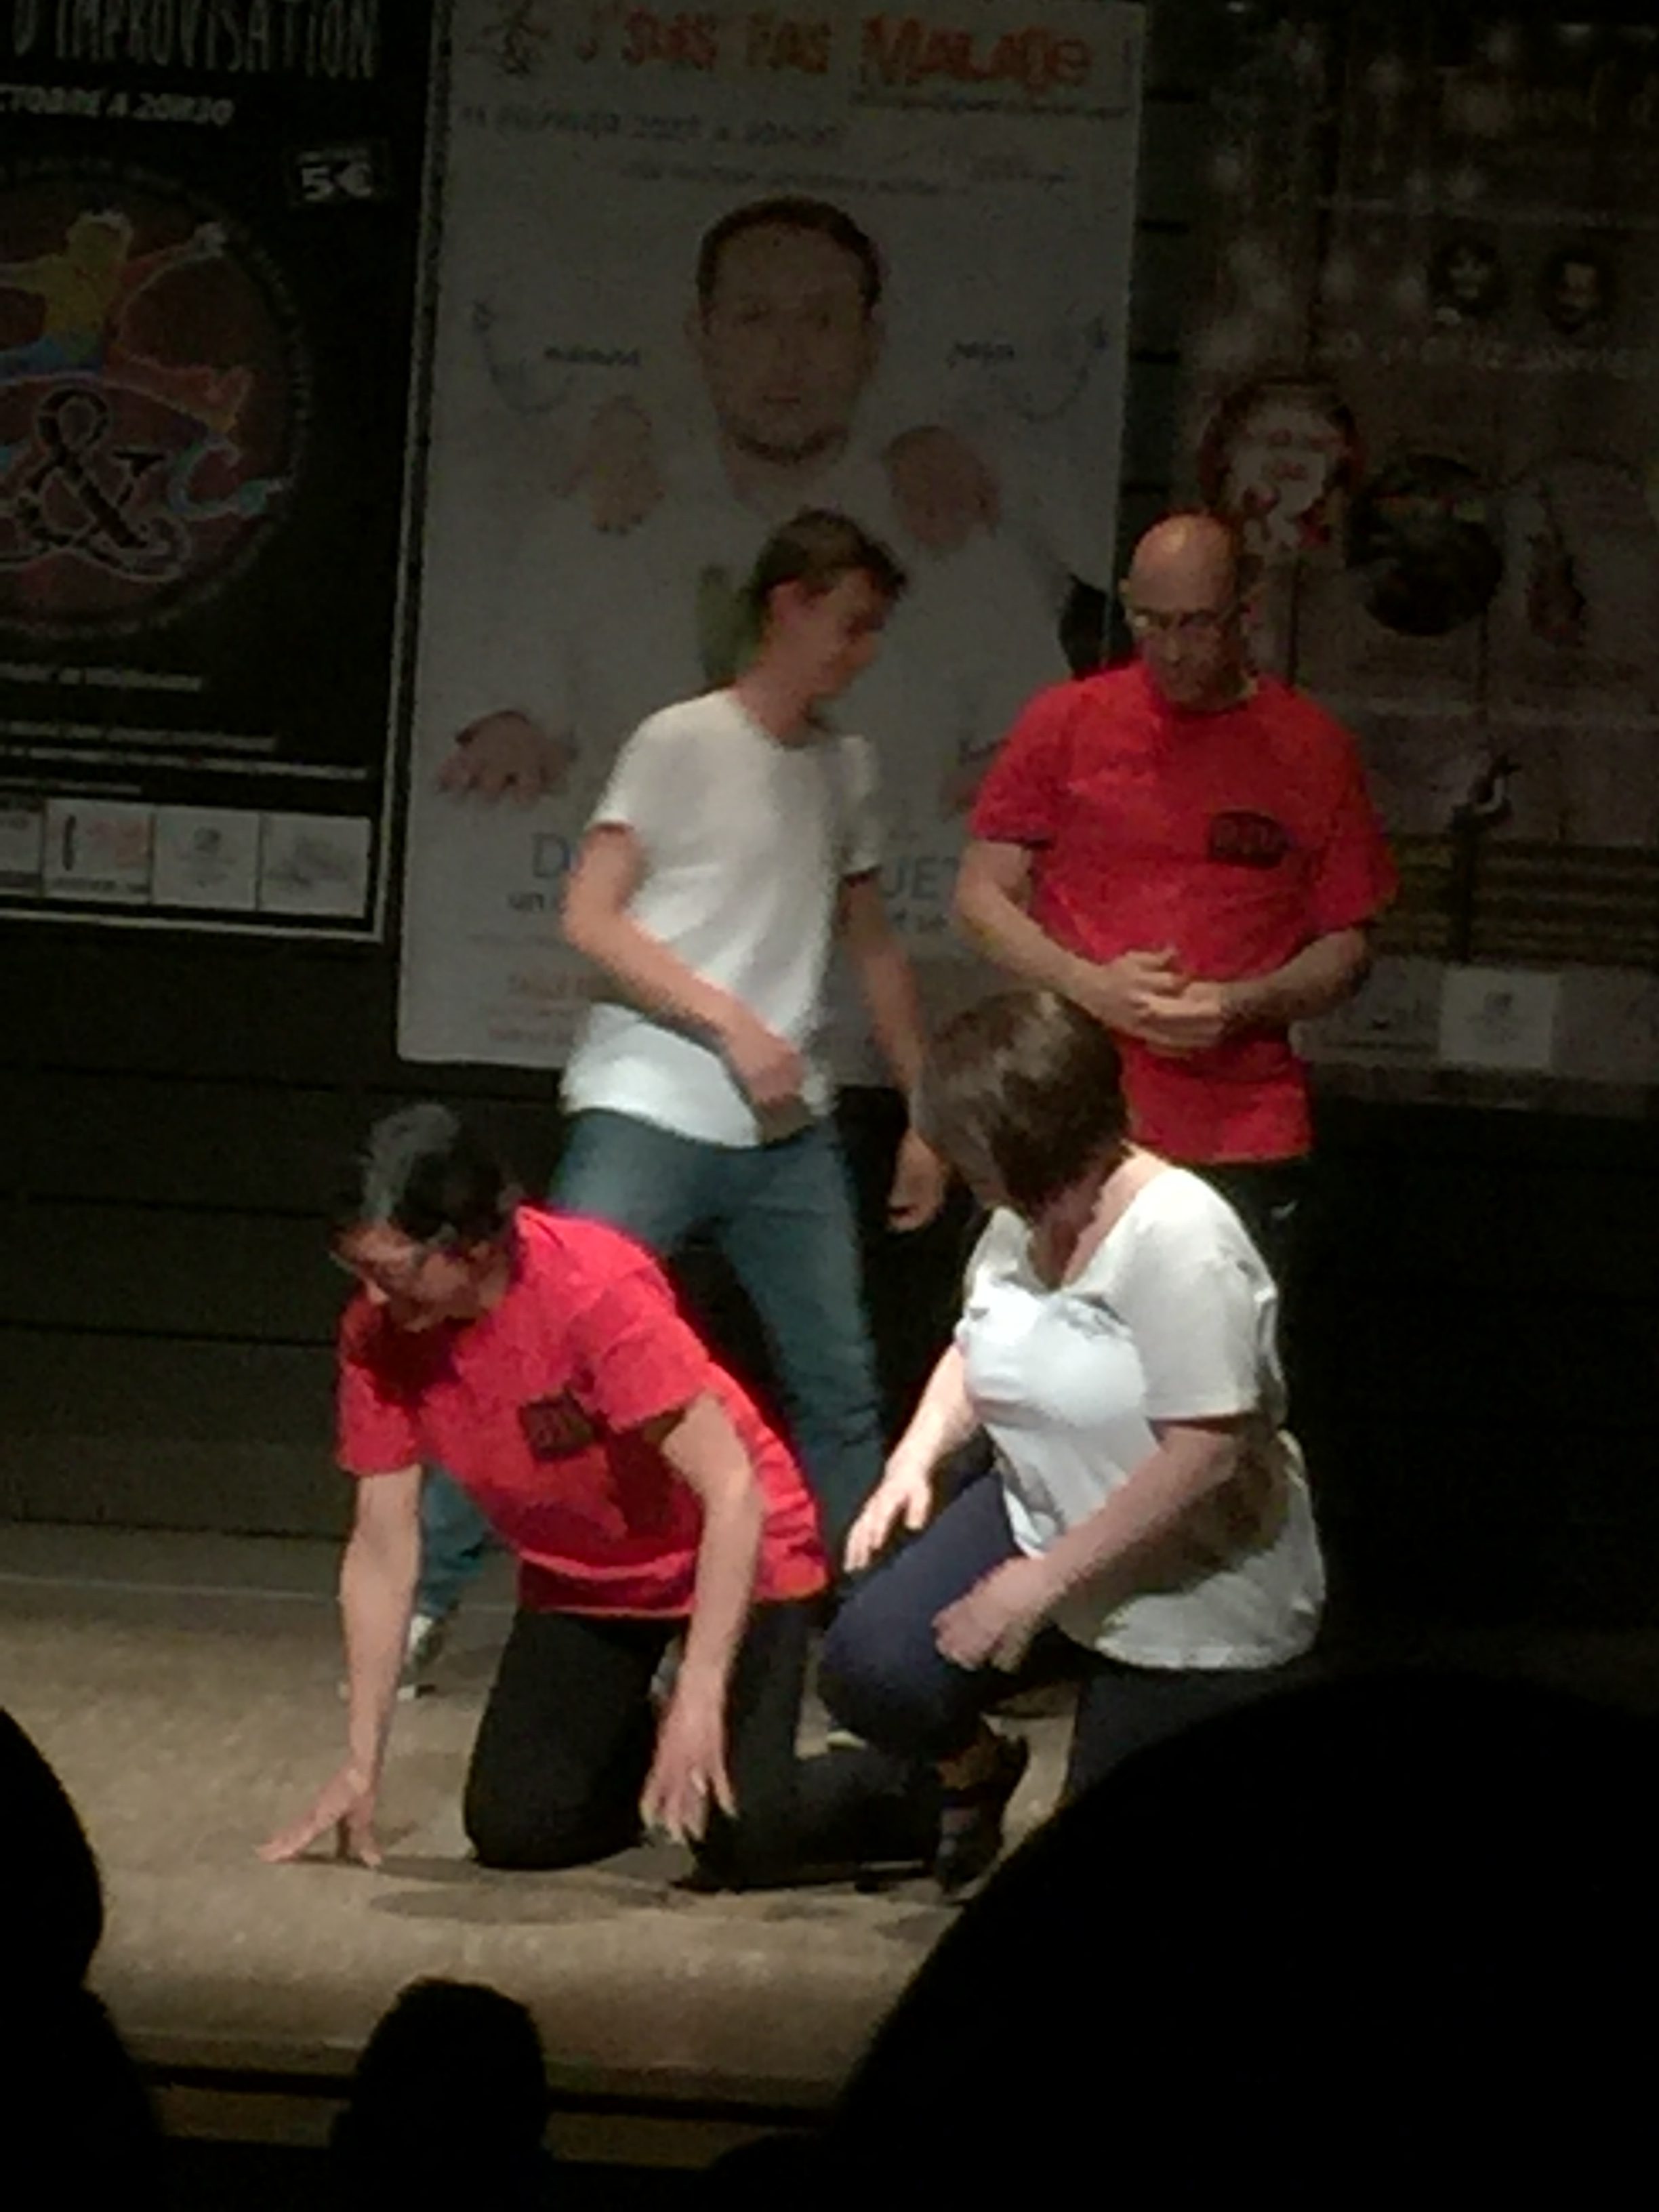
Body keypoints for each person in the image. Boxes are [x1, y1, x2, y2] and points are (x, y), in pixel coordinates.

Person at [401, 510, 951, 1674]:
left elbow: (872, 944)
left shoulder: (845, 766)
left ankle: (866, 1634)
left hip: (784, 1128)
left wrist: (925, 1108)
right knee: (538, 1348)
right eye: (850, 624)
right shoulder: (680, 740)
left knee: (840, 1387)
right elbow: (590, 915)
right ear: (789, 604)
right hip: (647, 1102)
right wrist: (728, 1021)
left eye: (874, 631)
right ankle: (422, 1595)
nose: (862, 651)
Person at [261, 1103, 937, 1886]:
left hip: (733, 1553)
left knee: (743, 1838)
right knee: (521, 1829)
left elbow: (732, 1491)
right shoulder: (382, 1335)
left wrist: (699, 1693)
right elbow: (384, 1544)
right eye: (360, 1272)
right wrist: (361, 1762)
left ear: (473, 1244)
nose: (376, 1298)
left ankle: (921, 1783)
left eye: (396, 1272)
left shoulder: (589, 1290)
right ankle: (632, 1736)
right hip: (587, 1577)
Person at [819, 991, 1323, 1896]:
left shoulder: (1181, 1239)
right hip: (1040, 1515)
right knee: (873, 1667)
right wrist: (915, 1457)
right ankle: (976, 1774)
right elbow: (978, 1344)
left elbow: (1204, 1451)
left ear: (1033, 1147)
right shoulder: (1019, 1223)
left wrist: (1041, 1584)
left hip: (1187, 1578)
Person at [956, 510, 1397, 1288]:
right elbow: (980, 898)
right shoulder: (1066, 720)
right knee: (1036, 1347)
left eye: (1196, 623)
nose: (1172, 648)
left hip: (1240, 1128)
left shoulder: (1311, 746)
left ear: (1245, 611)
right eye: (1151, 622)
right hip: (1069, 1114)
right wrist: (1091, 986)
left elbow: (1349, 946)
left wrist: (1240, 1003)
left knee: (1216, 1350)